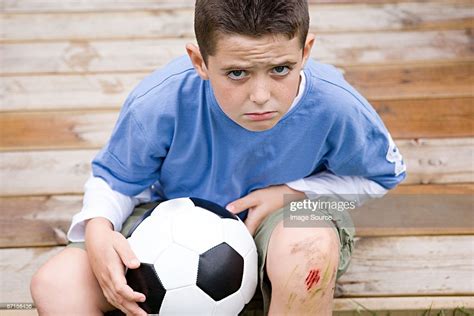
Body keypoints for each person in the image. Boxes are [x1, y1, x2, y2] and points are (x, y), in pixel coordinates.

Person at [30, 0, 406, 315]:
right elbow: (114, 179)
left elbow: (379, 177)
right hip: (172, 218)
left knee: (308, 246)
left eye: (280, 69)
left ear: (305, 52)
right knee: (55, 284)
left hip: (284, 220)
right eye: (237, 73)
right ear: (200, 62)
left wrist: (293, 192)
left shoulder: (336, 106)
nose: (261, 95)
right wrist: (98, 229)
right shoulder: (161, 102)